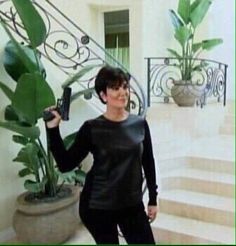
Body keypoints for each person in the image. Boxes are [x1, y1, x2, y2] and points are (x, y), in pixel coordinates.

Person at [45, 65, 158, 244]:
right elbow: (66, 164)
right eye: (115, 88)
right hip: (98, 206)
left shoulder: (140, 125)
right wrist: (52, 130)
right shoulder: (91, 128)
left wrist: (153, 198)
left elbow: (148, 162)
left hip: (131, 205)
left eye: (125, 86)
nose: (123, 92)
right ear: (103, 95)